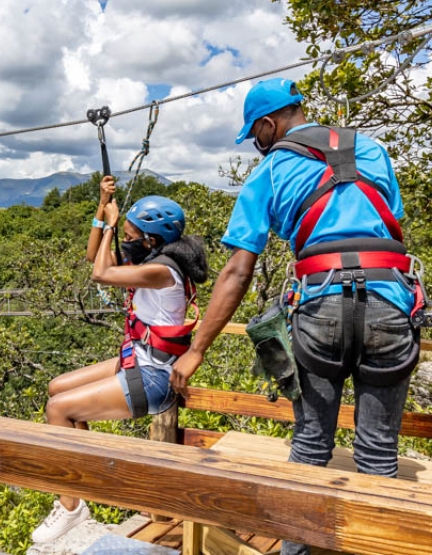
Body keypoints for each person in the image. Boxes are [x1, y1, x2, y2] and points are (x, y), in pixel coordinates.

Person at [170, 78, 420, 555]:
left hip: (320, 304)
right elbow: (393, 231)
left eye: (255, 135)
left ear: (269, 124)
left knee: (310, 444)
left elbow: (237, 272)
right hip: (389, 300)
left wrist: (196, 350)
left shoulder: (270, 172)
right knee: (378, 452)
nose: (257, 144)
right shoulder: (372, 150)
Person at [30, 176, 208, 544]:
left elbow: (101, 273)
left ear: (152, 241)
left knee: (59, 410)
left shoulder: (163, 271)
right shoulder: (153, 258)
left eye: (129, 235)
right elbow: (93, 257)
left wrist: (112, 223)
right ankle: (78, 483)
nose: (125, 240)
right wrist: (101, 206)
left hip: (155, 378)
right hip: (137, 360)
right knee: (56, 389)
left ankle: (71, 506)